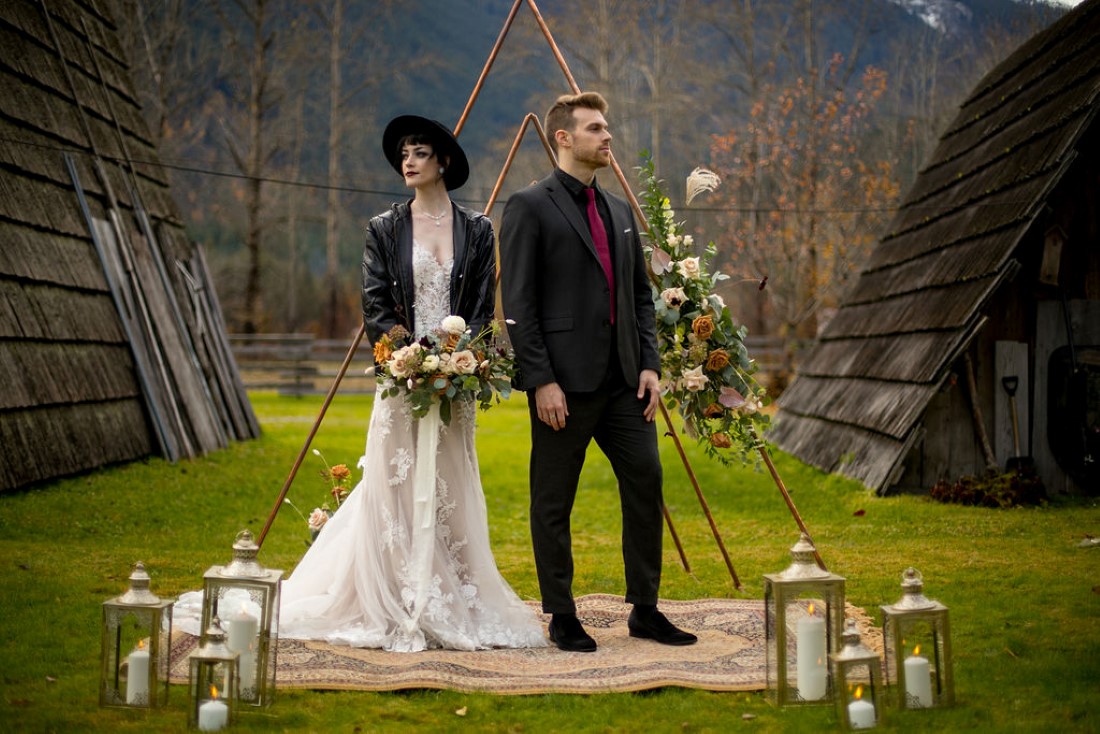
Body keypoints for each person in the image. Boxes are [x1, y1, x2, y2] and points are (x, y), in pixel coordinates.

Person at [277, 115, 547, 652]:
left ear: (442, 162)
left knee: (449, 482)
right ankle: (399, 594)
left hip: (457, 381)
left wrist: (457, 358)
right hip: (402, 379)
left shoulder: (476, 231)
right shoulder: (384, 228)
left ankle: (454, 593)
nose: (408, 161)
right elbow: (375, 304)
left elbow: (477, 308)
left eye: (420, 152)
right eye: (404, 153)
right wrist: (411, 358)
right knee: (397, 484)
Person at [499, 92, 697, 652]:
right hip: (562, 386)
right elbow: (518, 302)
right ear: (564, 137)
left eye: (607, 127)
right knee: (553, 499)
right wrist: (540, 379)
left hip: (625, 384)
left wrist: (652, 366)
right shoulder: (528, 205)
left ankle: (646, 610)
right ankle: (561, 613)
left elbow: (640, 296)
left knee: (647, 482)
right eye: (595, 128)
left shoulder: (618, 210)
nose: (607, 136)